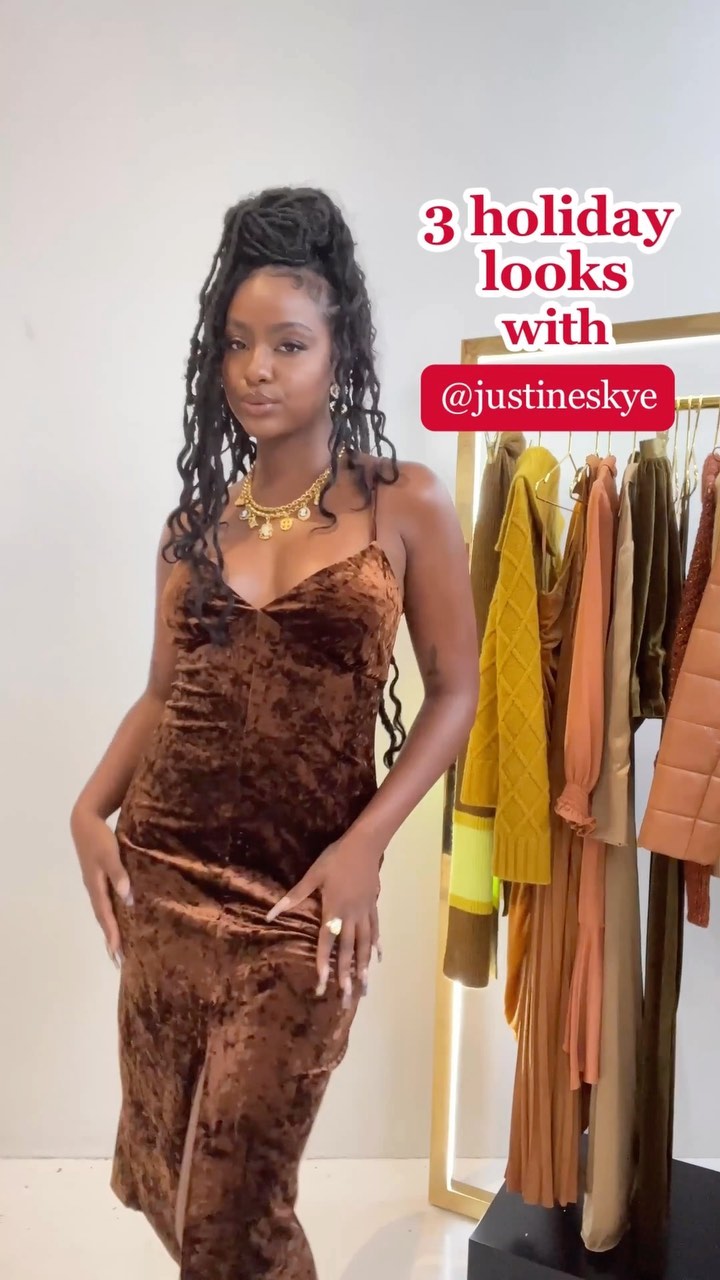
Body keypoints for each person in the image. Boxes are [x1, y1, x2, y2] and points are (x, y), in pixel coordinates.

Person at [69, 185, 479, 1279]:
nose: (257, 369)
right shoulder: (191, 531)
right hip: (166, 883)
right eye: (237, 343)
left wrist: (365, 844)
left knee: (233, 1210)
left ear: (340, 353)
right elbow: (160, 697)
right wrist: (87, 809)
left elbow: (456, 690)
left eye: (289, 344)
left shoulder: (405, 502)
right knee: (166, 1178)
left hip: (302, 903)